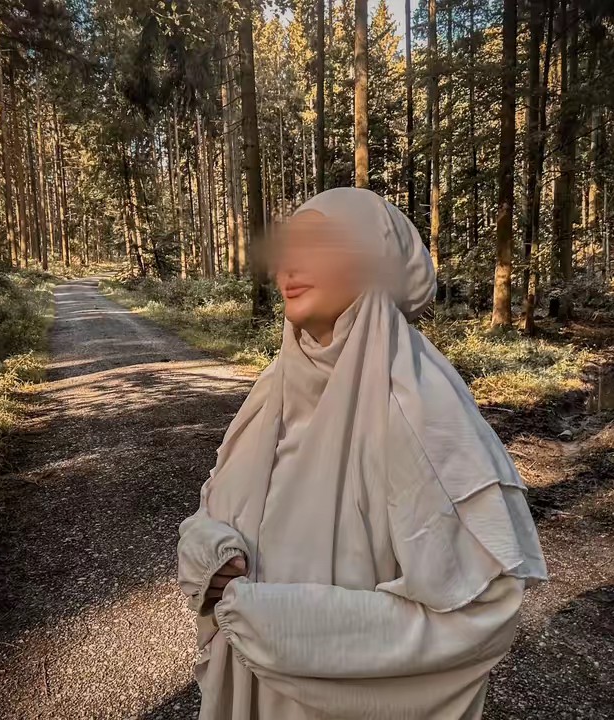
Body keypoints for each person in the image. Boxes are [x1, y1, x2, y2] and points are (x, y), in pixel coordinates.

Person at [177, 187, 547, 720]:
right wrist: (211, 558)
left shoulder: (419, 404)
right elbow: (211, 506)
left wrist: (276, 624)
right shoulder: (272, 391)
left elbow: (480, 610)